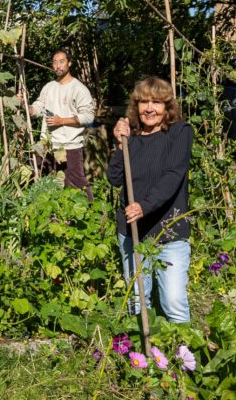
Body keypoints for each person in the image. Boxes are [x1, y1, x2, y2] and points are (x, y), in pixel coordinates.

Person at [107, 77, 193, 323]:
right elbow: (114, 178)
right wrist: (120, 145)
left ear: (167, 107)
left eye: (156, 102)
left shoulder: (180, 133)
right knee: (137, 299)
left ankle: (183, 355)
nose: (149, 108)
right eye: (143, 102)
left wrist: (144, 206)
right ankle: (141, 355)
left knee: (173, 302)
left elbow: (173, 175)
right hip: (133, 232)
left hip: (169, 232)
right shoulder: (131, 138)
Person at [25, 48, 96, 199]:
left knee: (77, 185)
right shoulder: (49, 87)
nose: (58, 66)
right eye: (55, 62)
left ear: (69, 63)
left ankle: (93, 214)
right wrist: (25, 106)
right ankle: (52, 219)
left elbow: (89, 117)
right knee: (41, 181)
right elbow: (38, 108)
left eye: (61, 61)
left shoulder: (79, 89)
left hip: (70, 146)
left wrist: (61, 120)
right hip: (47, 145)